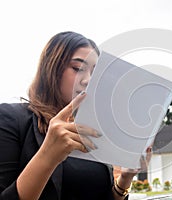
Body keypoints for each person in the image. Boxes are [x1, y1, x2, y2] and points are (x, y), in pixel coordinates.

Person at [0, 31, 151, 200]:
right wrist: (48, 155)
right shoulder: (11, 118)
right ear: (51, 69)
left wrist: (124, 179)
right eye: (78, 68)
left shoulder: (92, 130)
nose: (88, 80)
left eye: (95, 73)